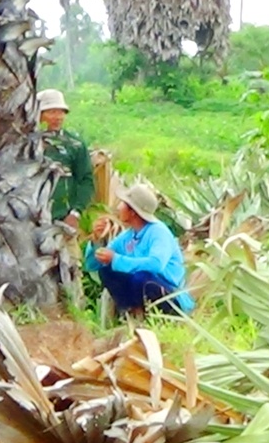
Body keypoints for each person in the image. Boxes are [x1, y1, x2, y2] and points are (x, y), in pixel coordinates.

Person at [83, 183, 195, 316]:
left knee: (141, 277)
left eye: (123, 203)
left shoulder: (158, 232)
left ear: (133, 212)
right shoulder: (127, 236)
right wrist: (96, 242)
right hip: (143, 290)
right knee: (107, 270)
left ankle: (147, 315)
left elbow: (156, 264)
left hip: (170, 295)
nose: (118, 207)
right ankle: (130, 312)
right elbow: (91, 265)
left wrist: (116, 259)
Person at [38, 89, 95, 230]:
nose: (58, 117)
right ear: (38, 115)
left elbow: (86, 180)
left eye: (61, 112)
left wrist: (75, 213)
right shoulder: (22, 143)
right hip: (28, 224)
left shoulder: (74, 145)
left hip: (63, 222)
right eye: (51, 112)